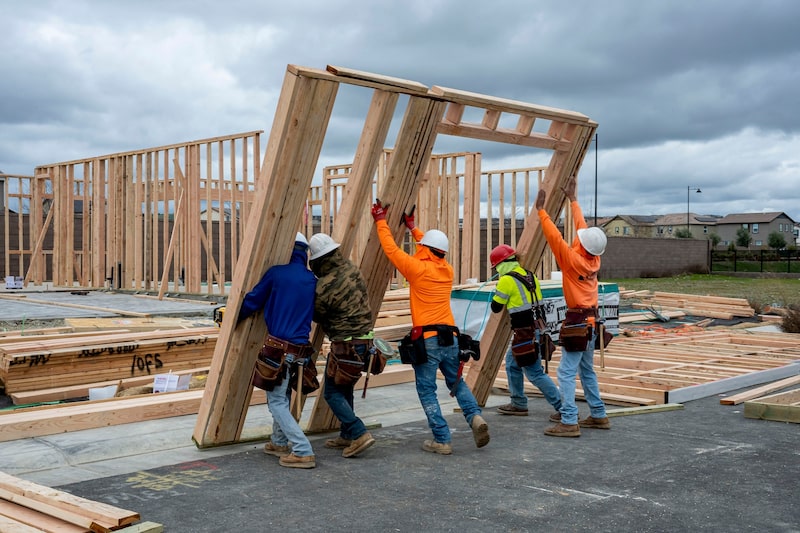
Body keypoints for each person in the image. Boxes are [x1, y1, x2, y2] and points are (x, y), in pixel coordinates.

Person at [371, 200, 489, 455]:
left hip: (429, 339)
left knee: (426, 389)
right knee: (456, 383)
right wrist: (413, 229)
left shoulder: (417, 269)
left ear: (424, 249)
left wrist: (381, 220)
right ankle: (474, 416)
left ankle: (442, 439)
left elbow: (391, 249)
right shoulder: (447, 269)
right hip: (451, 337)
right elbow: (430, 246)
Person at [536, 176, 610, 437]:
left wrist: (541, 212)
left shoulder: (572, 261)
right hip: (592, 322)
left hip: (578, 322)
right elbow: (583, 229)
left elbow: (554, 237)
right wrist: (573, 200)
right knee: (586, 370)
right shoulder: (594, 260)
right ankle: (598, 414)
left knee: (565, 373)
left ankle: (568, 420)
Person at [238, 232, 318, 468]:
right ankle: (278, 442)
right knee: (282, 393)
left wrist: (231, 318)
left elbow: (252, 301)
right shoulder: (312, 279)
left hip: (279, 348)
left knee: (276, 401)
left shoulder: (277, 274)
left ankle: (302, 450)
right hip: (301, 350)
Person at [307, 232, 376, 459]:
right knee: (345, 387)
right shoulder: (352, 269)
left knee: (332, 392)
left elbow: (317, 313)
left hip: (344, 345)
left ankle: (359, 432)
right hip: (365, 342)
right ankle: (347, 434)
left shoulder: (325, 285)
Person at [489, 244, 562, 421]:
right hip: (538, 329)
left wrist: (497, 290)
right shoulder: (530, 275)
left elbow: (496, 307)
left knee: (534, 373)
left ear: (501, 264)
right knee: (512, 364)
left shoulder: (506, 280)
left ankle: (564, 407)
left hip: (525, 333)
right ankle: (518, 403)